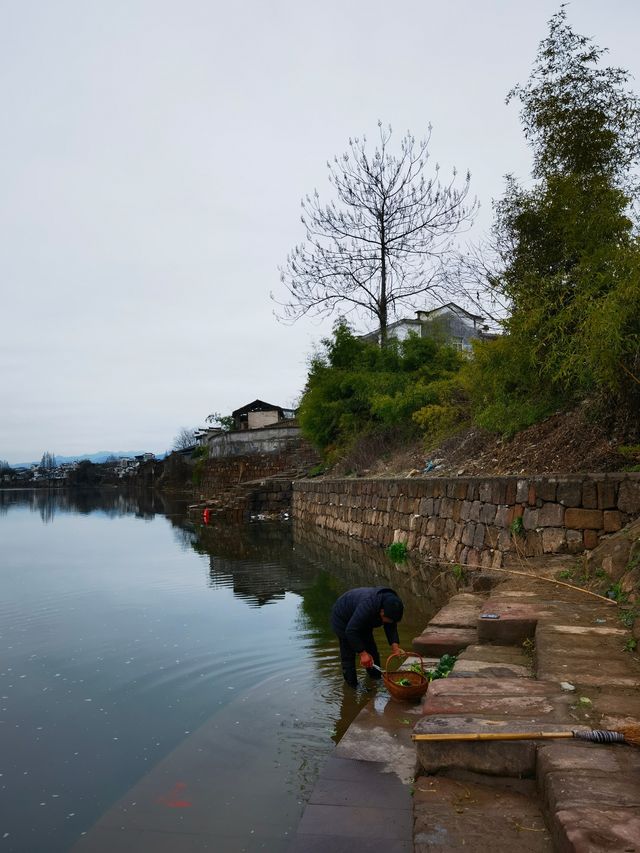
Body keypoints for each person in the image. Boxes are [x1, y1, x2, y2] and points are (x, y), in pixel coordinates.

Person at [330, 586, 405, 688]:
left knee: (372, 651)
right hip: (343, 619)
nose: (386, 623)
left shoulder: (392, 604)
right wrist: (362, 653)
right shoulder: (368, 605)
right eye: (386, 619)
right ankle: (353, 687)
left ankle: (376, 680)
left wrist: (395, 647)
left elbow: (391, 626)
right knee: (348, 655)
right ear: (382, 611)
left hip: (362, 620)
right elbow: (351, 631)